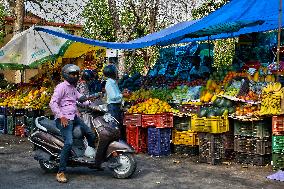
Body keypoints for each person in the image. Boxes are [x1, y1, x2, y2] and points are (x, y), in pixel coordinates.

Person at [49, 64, 99, 183]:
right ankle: (60, 172)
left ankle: (89, 155)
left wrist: (93, 103)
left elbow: (81, 98)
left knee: (91, 134)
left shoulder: (72, 87)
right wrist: (61, 116)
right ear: (66, 75)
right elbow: (53, 103)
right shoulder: (61, 87)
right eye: (72, 74)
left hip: (74, 117)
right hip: (64, 119)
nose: (75, 76)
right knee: (69, 142)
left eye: (76, 74)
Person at [103, 64, 129, 140]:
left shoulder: (113, 83)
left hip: (116, 107)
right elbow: (113, 97)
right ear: (112, 73)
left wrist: (122, 93)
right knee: (115, 127)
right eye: (116, 72)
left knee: (118, 125)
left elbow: (116, 94)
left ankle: (119, 142)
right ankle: (116, 143)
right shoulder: (109, 83)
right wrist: (122, 95)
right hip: (113, 107)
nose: (117, 73)